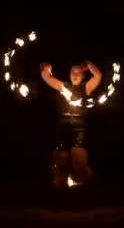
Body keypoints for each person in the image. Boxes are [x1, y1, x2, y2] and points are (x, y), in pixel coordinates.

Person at [40, 61, 102, 190]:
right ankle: (60, 187)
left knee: (79, 161)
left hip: (79, 126)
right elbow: (47, 78)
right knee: (61, 160)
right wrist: (46, 69)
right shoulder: (64, 86)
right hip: (63, 124)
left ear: (83, 75)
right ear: (69, 74)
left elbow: (97, 76)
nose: (75, 74)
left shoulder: (86, 87)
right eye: (72, 72)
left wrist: (88, 65)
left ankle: (87, 185)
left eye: (78, 72)